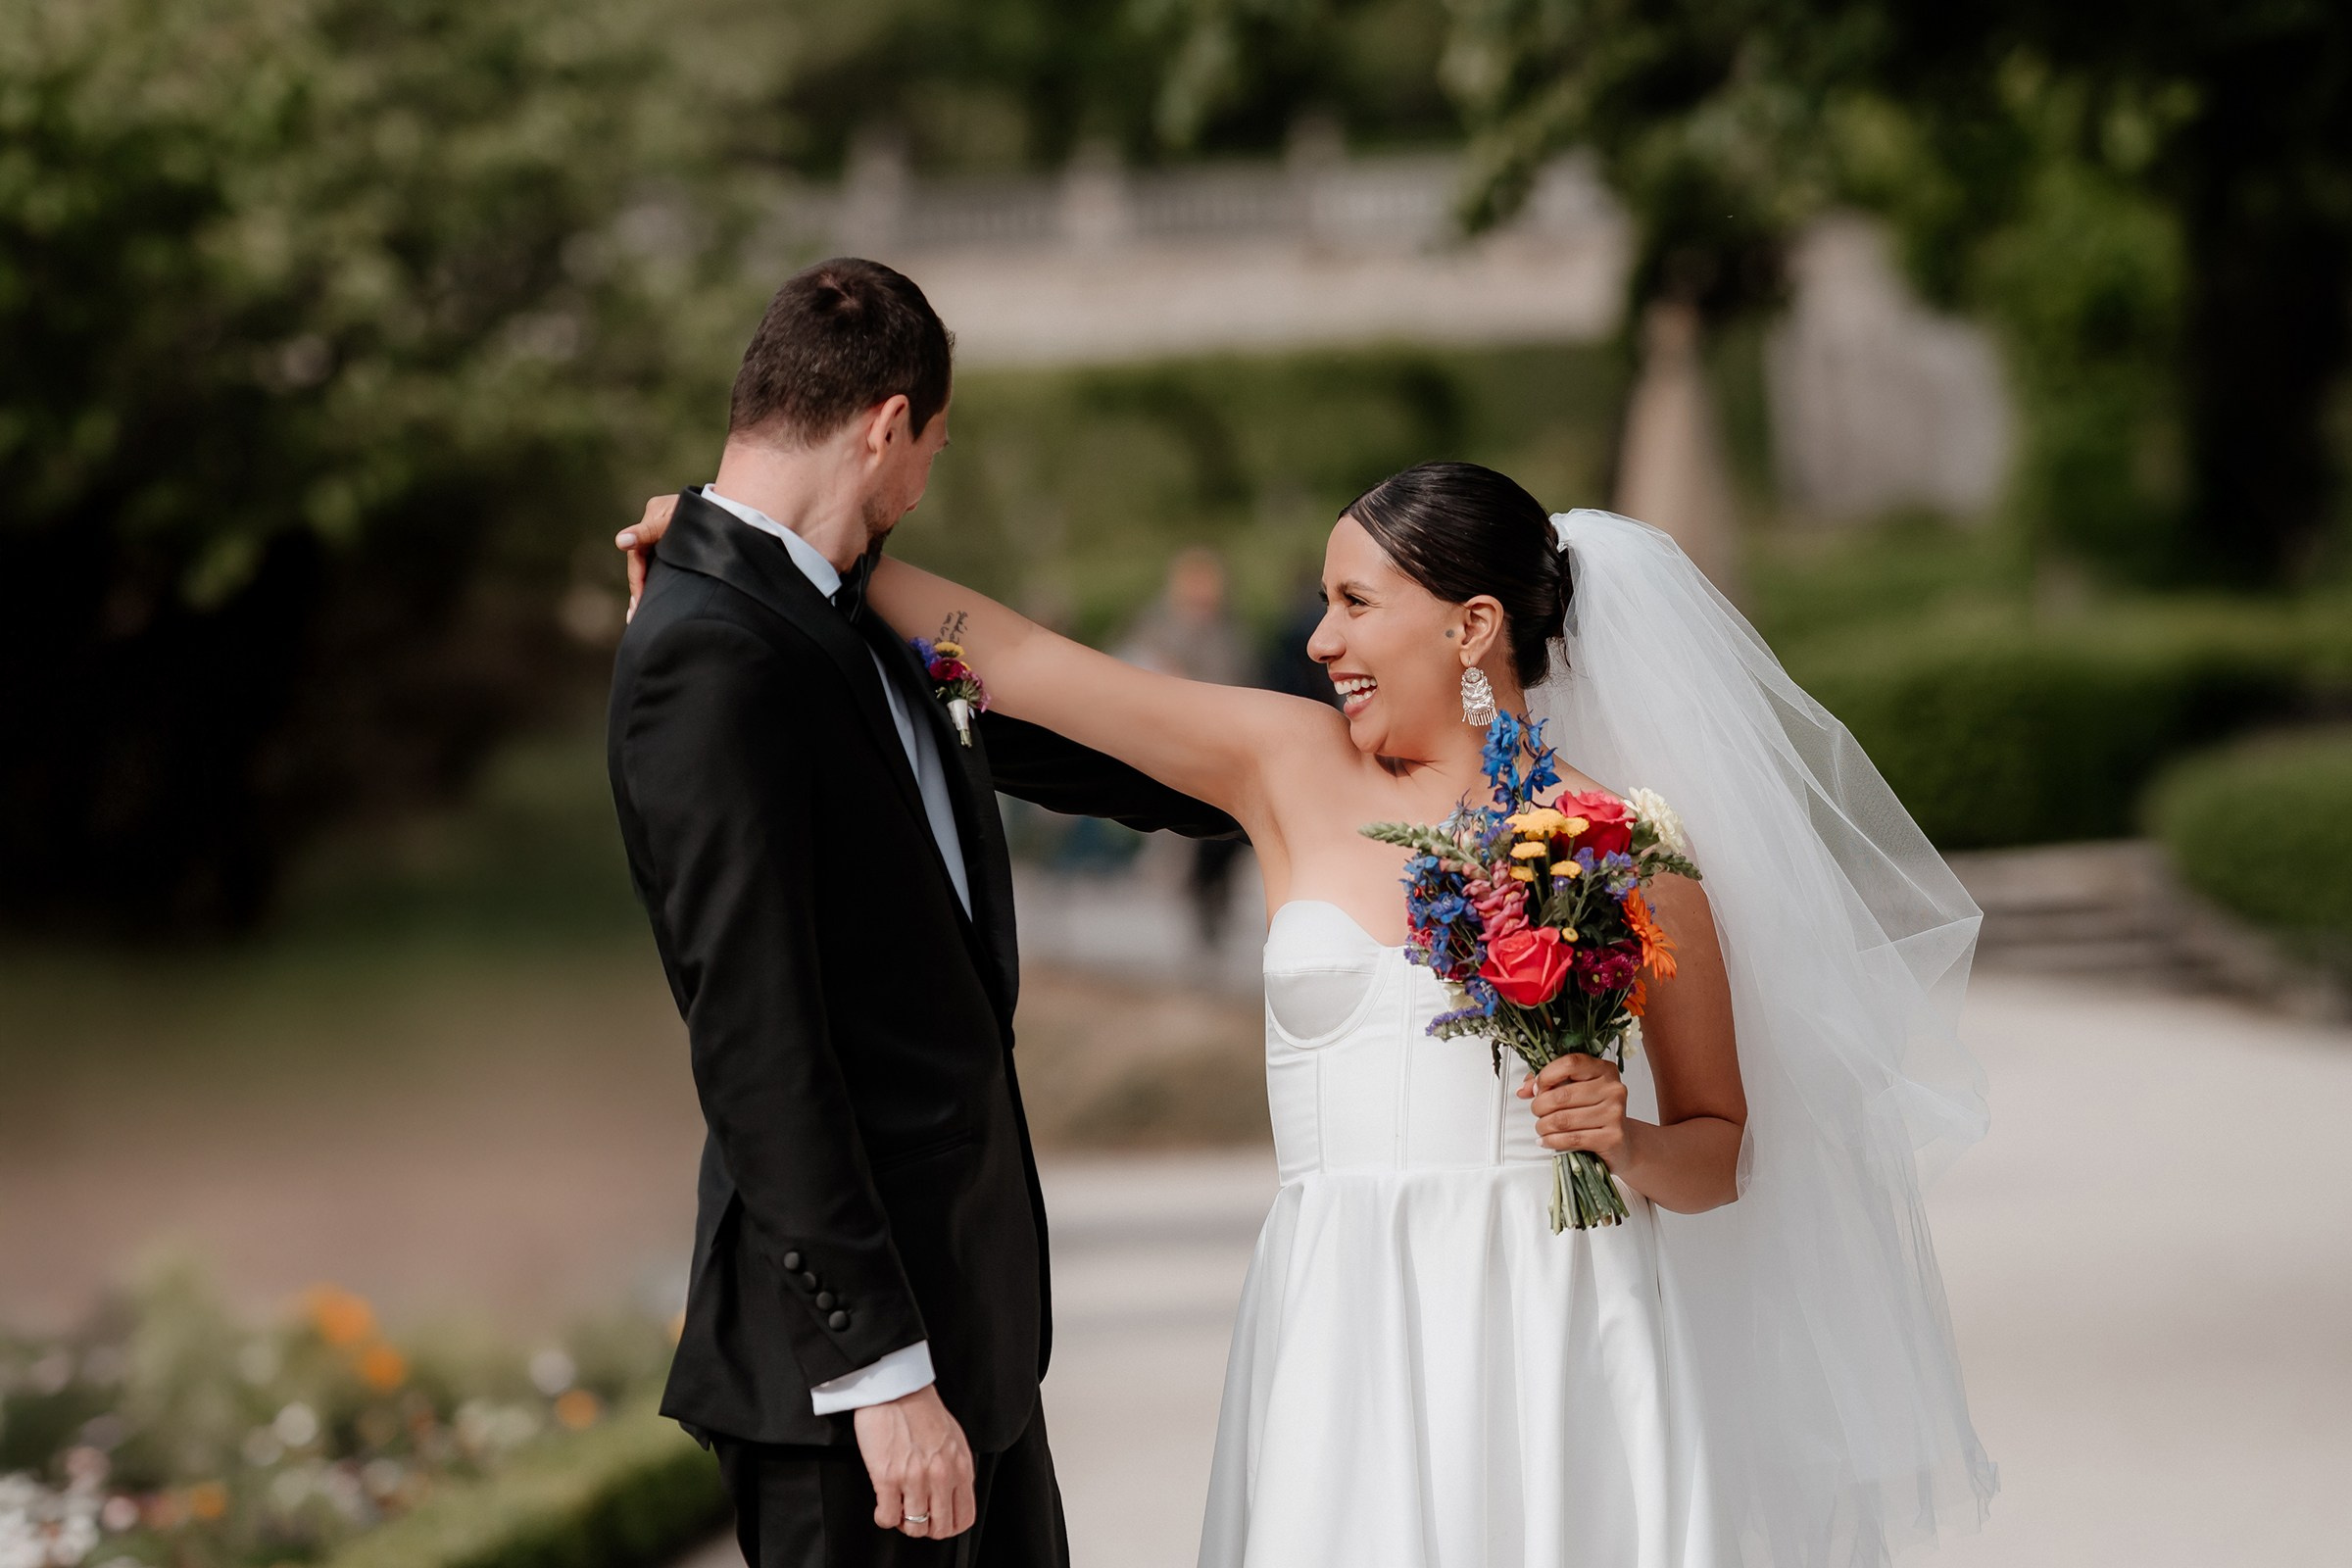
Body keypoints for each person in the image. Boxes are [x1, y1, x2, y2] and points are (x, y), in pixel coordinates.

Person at [621, 461, 1995, 1565]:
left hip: (1565, 1326)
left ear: (1472, 625)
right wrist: (740, 543)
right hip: (1345, 1319)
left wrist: (1626, 1139)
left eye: (1353, 603)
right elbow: (1020, 658)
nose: (1320, 639)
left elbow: (1721, 1146)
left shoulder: (1624, 837)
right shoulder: (1286, 764)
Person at [605, 257, 1235, 1568]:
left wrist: (1319, 777)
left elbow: (1094, 754)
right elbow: (754, 1042)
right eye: (931, 449)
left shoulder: (856, 610)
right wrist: (883, 1376)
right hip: (861, 1370)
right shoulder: (707, 657)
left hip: (973, 1327)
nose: (924, 484)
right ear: (887, 424)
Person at [1115, 548, 1255, 951]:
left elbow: (1245, 678)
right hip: (1179, 752)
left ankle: (1213, 909)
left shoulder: (1231, 632)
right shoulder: (1159, 627)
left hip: (1225, 751)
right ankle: (1196, 914)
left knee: (1225, 846)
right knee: (1186, 841)